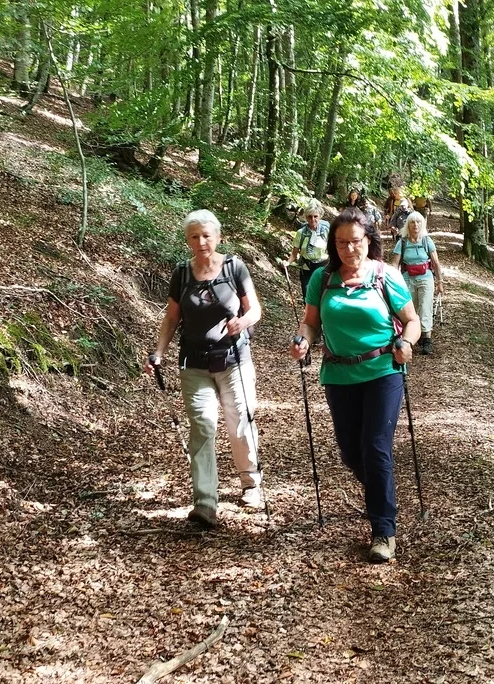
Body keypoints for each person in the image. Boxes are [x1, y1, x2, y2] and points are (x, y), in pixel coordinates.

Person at [288, 207, 421, 563]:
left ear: (369, 240)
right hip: (338, 374)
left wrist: (406, 344)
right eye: (342, 242)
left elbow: (412, 321)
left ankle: (383, 529)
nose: (350, 249)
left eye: (356, 241)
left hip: (383, 369)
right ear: (333, 244)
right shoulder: (322, 278)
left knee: (375, 446)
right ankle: (383, 493)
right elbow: (310, 324)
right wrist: (303, 340)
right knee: (350, 452)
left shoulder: (386, 276)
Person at [148, 210, 264, 528]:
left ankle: (251, 483)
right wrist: (158, 352)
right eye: (194, 236)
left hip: (233, 360)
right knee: (202, 426)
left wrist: (242, 321)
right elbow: (172, 318)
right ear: (187, 241)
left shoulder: (234, 267)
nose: (201, 242)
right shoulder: (182, 273)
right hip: (194, 363)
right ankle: (205, 503)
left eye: (206, 235)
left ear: (218, 236)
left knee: (240, 422)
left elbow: (255, 309)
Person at [390, 211, 443, 355]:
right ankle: (411, 337)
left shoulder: (427, 241)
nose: (416, 225)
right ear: (408, 225)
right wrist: (392, 283)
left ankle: (427, 339)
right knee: (410, 309)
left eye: (418, 222)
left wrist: (440, 282)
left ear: (422, 224)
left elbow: (436, 262)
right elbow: (395, 264)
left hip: (426, 277)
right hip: (407, 277)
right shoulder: (402, 242)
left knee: (425, 306)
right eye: (412, 222)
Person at [287, 201, 330, 296]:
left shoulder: (326, 231)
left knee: (322, 295)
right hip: (306, 267)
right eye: (310, 216)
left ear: (320, 216)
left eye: (315, 216)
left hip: (322, 267)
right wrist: (287, 262)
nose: (313, 219)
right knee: (307, 296)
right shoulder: (301, 233)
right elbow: (294, 253)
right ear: (306, 217)